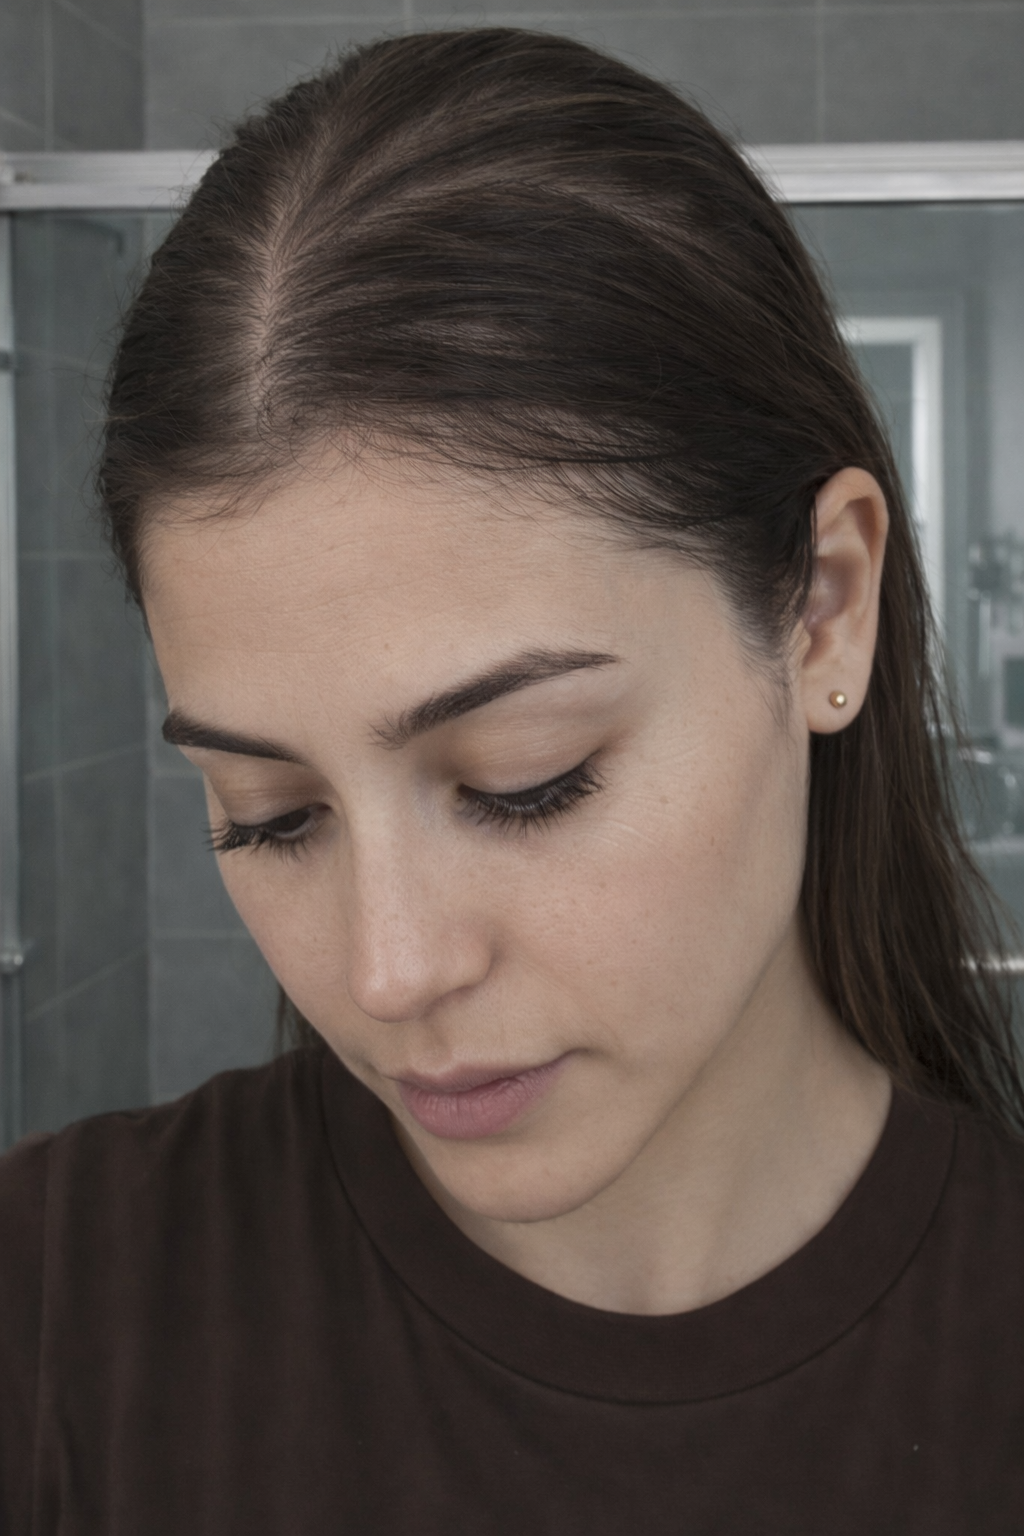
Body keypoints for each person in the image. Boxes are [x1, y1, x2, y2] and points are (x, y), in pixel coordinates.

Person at [2, 28, 1023, 1534]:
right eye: (272, 816)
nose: (390, 971)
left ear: (825, 609)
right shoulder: (48, 1312)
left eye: (526, 782)